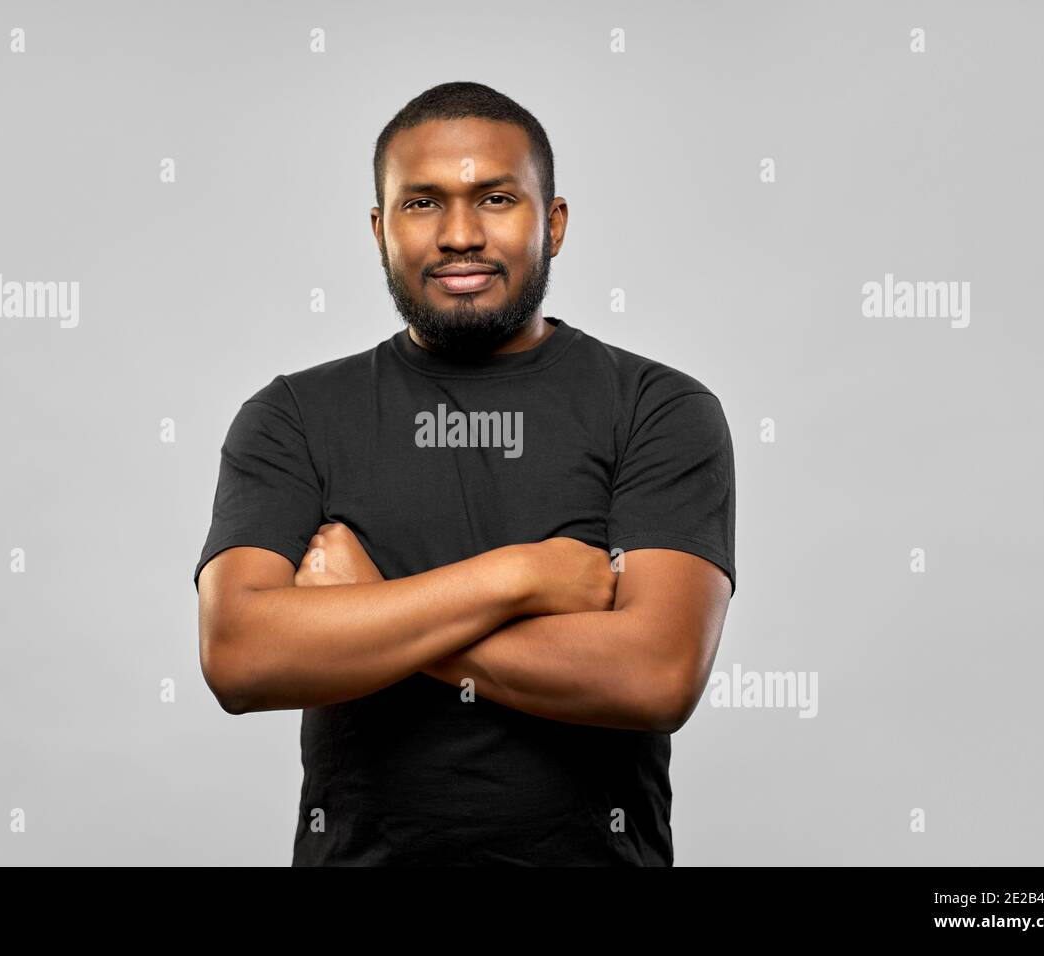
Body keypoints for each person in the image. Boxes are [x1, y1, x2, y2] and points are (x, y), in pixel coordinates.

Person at [194, 81, 736, 866]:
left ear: (553, 223)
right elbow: (240, 660)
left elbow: (654, 676)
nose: (459, 235)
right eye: (422, 204)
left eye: (495, 199)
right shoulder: (295, 416)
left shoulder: (657, 408)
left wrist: (372, 610)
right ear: (380, 231)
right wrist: (518, 577)